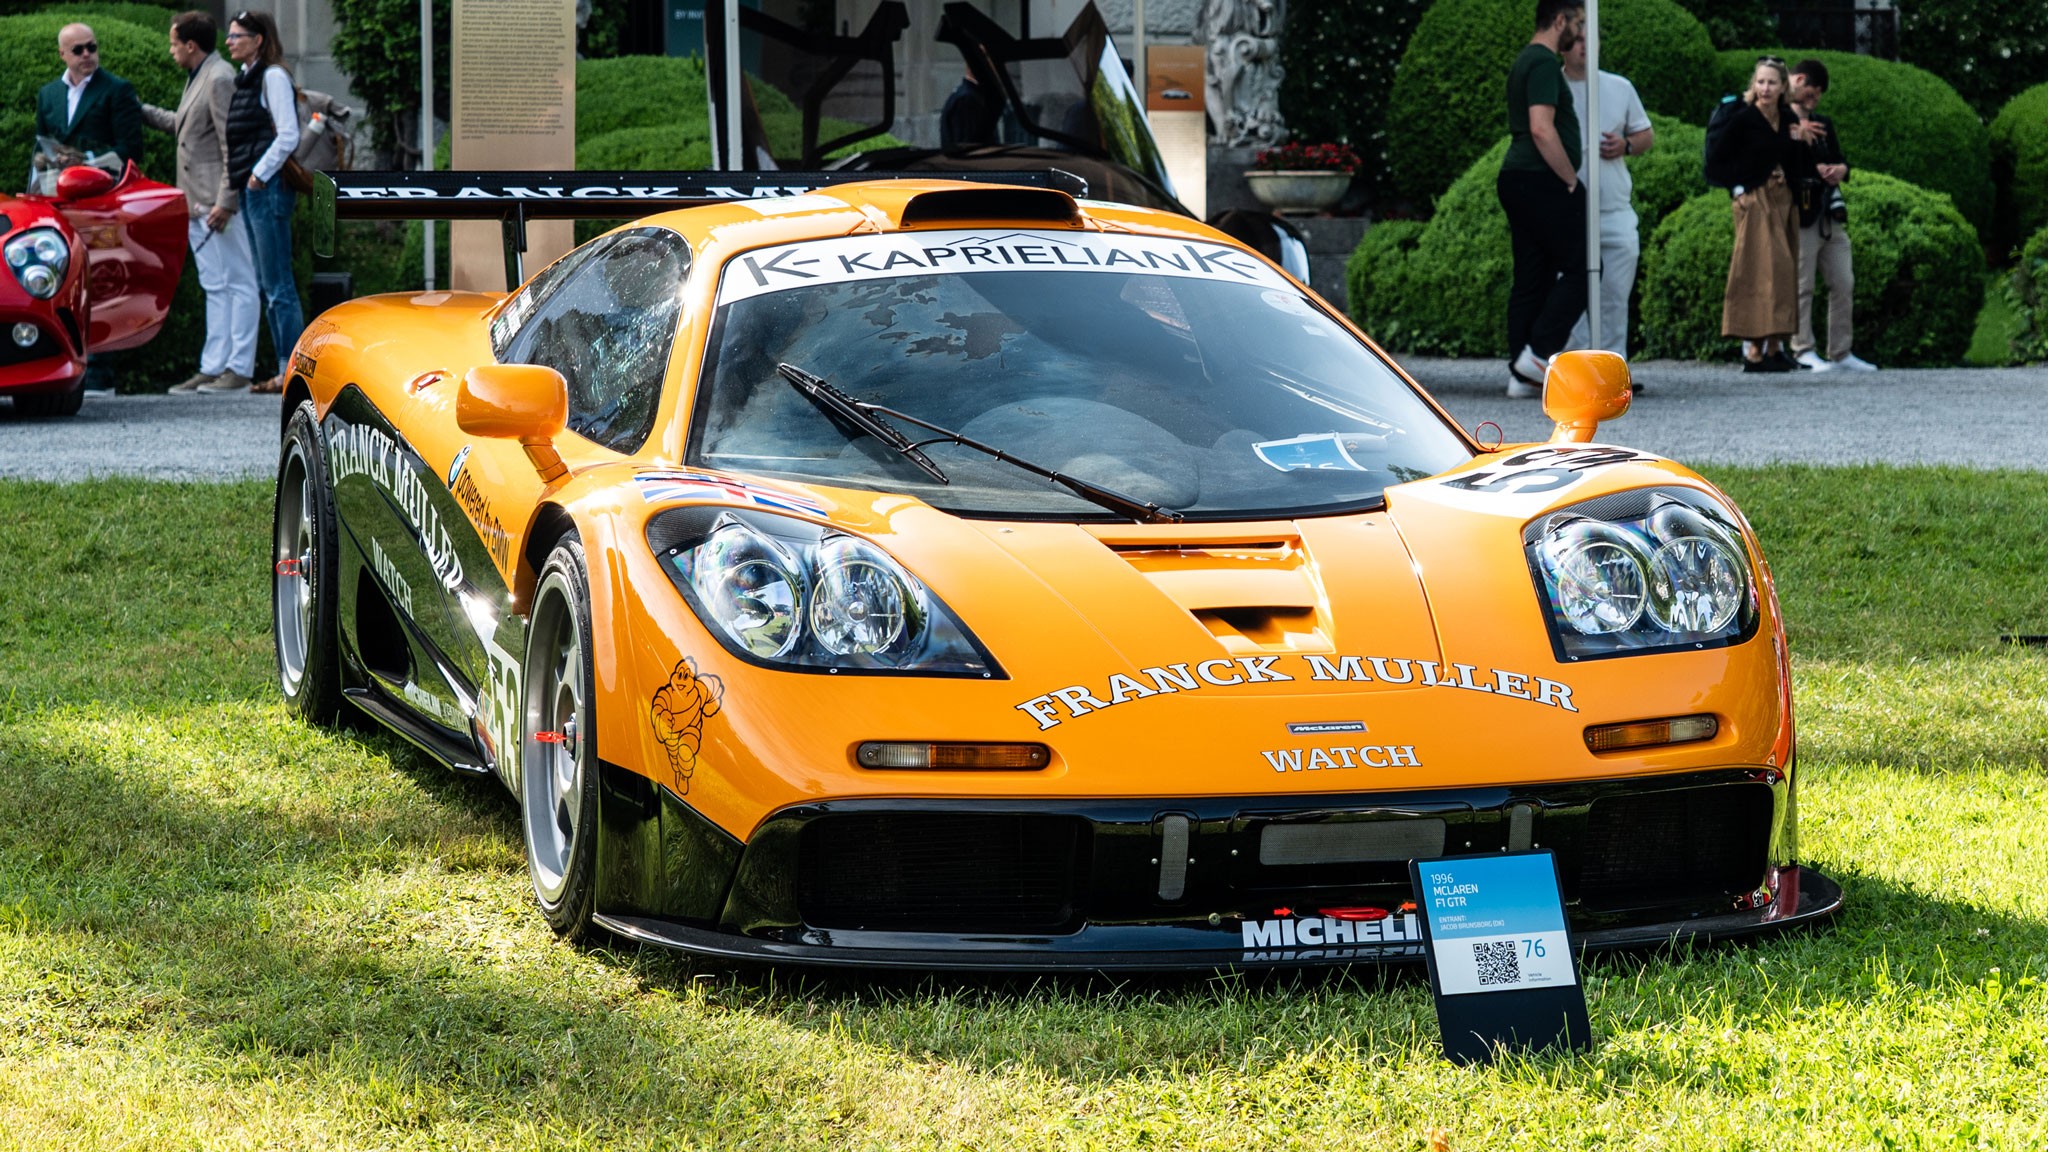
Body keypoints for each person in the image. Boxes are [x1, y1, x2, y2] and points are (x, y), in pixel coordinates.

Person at [142, 11, 259, 394]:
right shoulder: (201, 74)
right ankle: (213, 366)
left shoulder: (219, 76)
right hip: (196, 201)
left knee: (239, 282)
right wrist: (138, 109)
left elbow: (233, 142)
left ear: (190, 45)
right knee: (215, 284)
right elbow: (185, 124)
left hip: (216, 202)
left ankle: (238, 369)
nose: (171, 50)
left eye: (174, 43)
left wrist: (226, 199)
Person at [1497, 0, 1587, 399]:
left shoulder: (1524, 61)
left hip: (1519, 178)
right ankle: (1538, 355)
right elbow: (1541, 128)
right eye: (1578, 23)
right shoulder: (1545, 63)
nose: (1579, 33)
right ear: (1560, 20)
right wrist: (1570, 179)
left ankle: (1522, 373)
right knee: (1585, 266)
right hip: (1541, 179)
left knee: (1532, 275)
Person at [1712, 56, 1816, 373]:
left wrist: (1800, 142)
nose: (1765, 88)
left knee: (1784, 271)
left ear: (1783, 86)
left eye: (1772, 82)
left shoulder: (1786, 118)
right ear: (1753, 85)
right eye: (1760, 82)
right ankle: (1754, 348)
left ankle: (1775, 345)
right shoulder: (1742, 118)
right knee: (1757, 268)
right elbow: (1716, 160)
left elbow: (1796, 160)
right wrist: (1738, 188)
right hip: (1756, 199)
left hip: (1784, 198)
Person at [222, 9, 301, 395]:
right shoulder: (247, 78)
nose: (229, 41)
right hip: (254, 188)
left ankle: (292, 369)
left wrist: (258, 174)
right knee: (269, 284)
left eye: (237, 35)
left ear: (259, 39)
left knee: (278, 285)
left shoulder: (271, 76)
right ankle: (284, 368)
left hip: (266, 189)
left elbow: (287, 135)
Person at [1560, 35, 1652, 365]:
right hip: (1567, 212)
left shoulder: (1619, 86)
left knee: (1615, 293)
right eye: (1577, 41)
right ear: (1563, 46)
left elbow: (1645, 134)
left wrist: (1625, 145)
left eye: (1591, 40)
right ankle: (1574, 370)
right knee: (1572, 295)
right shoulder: (1551, 88)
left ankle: (1613, 368)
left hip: (1614, 208)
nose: (1585, 46)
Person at [1786, 59, 1876, 372]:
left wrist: (1840, 170)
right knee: (1802, 284)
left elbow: (1840, 159)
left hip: (1828, 212)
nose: (1814, 101)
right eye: (1811, 93)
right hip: (1801, 211)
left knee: (1843, 281)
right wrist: (1797, 134)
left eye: (1818, 96)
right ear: (1797, 80)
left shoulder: (1823, 123)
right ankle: (1802, 349)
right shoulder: (1780, 121)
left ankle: (1841, 351)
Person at [34, 23, 145, 175]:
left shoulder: (118, 89)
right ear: (62, 54)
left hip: (104, 187)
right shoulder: (48, 94)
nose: (86, 54)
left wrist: (86, 161)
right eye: (78, 50)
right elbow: (42, 144)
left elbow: (132, 148)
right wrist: (42, 162)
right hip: (57, 189)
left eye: (91, 47)